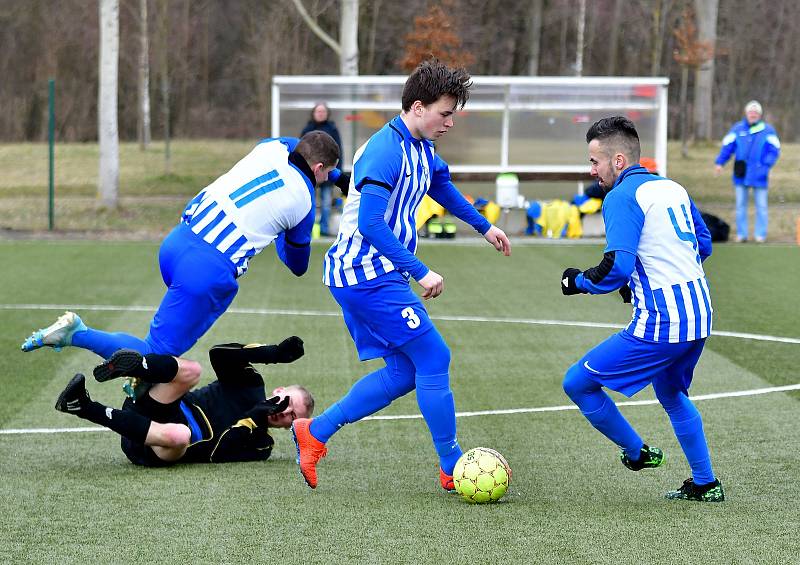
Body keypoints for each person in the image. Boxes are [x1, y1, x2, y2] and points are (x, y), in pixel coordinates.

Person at [290, 59, 512, 491]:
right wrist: (421, 270)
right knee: (434, 357)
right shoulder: (386, 150)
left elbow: (440, 185)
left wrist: (485, 226)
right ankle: (451, 465)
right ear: (416, 106)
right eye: (444, 113)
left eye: (453, 114)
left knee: (405, 371)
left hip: (374, 274)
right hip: (365, 274)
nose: (449, 122)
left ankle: (314, 433)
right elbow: (372, 225)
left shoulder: (422, 145)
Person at [21, 131, 350, 359]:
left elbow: (298, 146)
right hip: (207, 273)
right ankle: (77, 333)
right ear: (319, 168)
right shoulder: (305, 203)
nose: (324, 180)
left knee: (170, 347)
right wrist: (284, 229)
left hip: (177, 242)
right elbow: (297, 265)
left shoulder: (272, 146)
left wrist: (336, 178)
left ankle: (139, 382)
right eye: (326, 174)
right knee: (156, 355)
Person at [560, 116, 724, 502]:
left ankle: (637, 453)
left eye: (594, 161)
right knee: (671, 393)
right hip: (700, 314)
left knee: (578, 383)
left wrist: (576, 281)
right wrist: (652, 276)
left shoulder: (620, 197)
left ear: (618, 161)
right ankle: (705, 483)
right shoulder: (672, 188)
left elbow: (614, 269)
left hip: (663, 323)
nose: (591, 170)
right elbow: (704, 244)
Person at [54, 336, 313, 466]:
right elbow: (221, 355)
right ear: (279, 390)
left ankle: (83, 406)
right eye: (288, 402)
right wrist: (274, 353)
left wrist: (255, 417)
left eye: (293, 415)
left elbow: (217, 452)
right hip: (163, 405)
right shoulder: (252, 385)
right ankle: (137, 368)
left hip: (155, 446)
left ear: (291, 426)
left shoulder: (262, 446)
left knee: (181, 434)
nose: (285, 411)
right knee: (193, 370)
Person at [714, 100, 781, 243]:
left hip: (760, 175)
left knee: (761, 206)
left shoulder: (768, 130)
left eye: (756, 113)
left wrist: (766, 165)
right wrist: (720, 162)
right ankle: (741, 234)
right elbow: (727, 147)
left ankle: (760, 235)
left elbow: (774, 150)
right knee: (740, 205)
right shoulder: (737, 129)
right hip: (741, 174)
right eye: (751, 112)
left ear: (760, 115)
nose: (753, 115)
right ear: (746, 113)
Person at [302, 102, 344, 236]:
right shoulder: (307, 129)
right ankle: (308, 230)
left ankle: (324, 229)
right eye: (318, 111)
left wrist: (337, 172)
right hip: (309, 173)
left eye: (323, 111)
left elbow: (339, 151)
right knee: (309, 203)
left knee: (326, 202)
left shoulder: (332, 129)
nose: (320, 114)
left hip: (328, 172)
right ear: (314, 113)